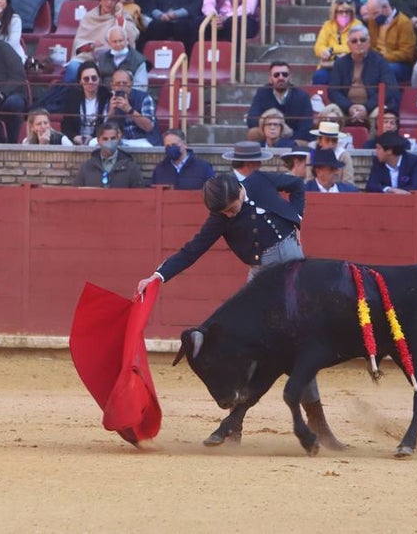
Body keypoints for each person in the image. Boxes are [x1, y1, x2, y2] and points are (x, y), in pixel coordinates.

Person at [134, 151, 339, 449]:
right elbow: (192, 250)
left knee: (298, 344)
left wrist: (296, 219)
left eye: (232, 209)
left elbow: (296, 186)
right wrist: (157, 276)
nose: (230, 215)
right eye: (225, 213)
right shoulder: (220, 217)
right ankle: (236, 425)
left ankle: (314, 422)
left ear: (240, 191)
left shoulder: (260, 181)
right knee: (248, 344)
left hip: (295, 271)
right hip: (261, 276)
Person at [328, 23, 399, 116]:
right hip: (345, 109)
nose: (359, 43)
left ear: (368, 43)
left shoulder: (380, 62)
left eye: (362, 40)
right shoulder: (340, 63)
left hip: (372, 108)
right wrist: (349, 107)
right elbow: (333, 91)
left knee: (383, 115)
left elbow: (389, 89)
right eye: (354, 41)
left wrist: (366, 107)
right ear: (348, 45)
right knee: (329, 113)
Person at [358, 0, 416, 84]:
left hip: (400, 65)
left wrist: (383, 57)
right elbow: (370, 45)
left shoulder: (404, 23)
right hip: (376, 60)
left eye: (375, 13)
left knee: (385, 69)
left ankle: (390, 93)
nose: (373, 17)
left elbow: (407, 53)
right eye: (371, 14)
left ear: (385, 7)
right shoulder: (373, 20)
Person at [246, 60, 313, 139]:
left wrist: (288, 138)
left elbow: (306, 126)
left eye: (285, 74)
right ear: (270, 79)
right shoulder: (262, 93)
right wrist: (274, 125)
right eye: (276, 75)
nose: (281, 78)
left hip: (293, 138)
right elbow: (252, 119)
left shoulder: (302, 96)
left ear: (290, 77)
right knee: (253, 133)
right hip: (268, 136)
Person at [312, 0, 359, 85]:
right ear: (334, 12)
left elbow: (355, 46)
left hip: (350, 66)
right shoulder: (328, 25)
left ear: (352, 13)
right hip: (329, 65)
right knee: (319, 77)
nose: (344, 15)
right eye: (340, 12)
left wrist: (332, 49)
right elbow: (318, 47)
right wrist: (324, 52)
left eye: (347, 12)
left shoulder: (357, 25)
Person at [105, 67, 158, 146]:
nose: (121, 86)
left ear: (131, 83)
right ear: (112, 86)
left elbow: (149, 127)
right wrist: (111, 112)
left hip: (143, 139)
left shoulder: (144, 98)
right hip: (120, 140)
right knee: (95, 143)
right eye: (118, 83)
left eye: (125, 83)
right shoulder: (109, 100)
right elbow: (103, 129)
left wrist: (129, 110)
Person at [308, 115, 355, 183]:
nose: (331, 144)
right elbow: (309, 180)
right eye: (327, 140)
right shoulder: (311, 155)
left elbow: (348, 182)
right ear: (320, 141)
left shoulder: (344, 156)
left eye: (334, 141)